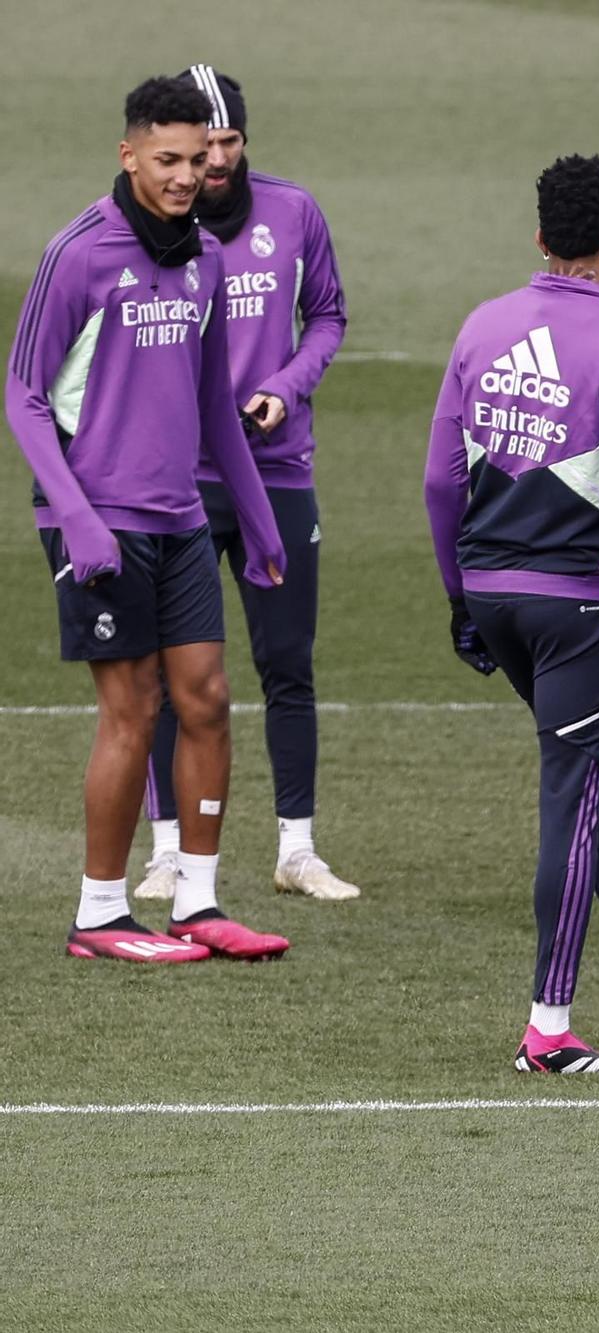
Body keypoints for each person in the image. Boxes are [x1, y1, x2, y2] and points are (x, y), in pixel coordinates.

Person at [424, 154, 599, 1073]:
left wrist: (459, 597)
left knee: (573, 764)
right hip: (578, 610)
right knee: (570, 793)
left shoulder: (480, 328)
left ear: (540, 238)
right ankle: (547, 1026)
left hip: (496, 598)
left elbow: (440, 479)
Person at [5, 76, 290, 963]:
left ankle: (198, 901)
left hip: (178, 519)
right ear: (128, 155)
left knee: (206, 700)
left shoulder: (204, 256)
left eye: (197, 159)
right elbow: (21, 397)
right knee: (132, 710)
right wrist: (77, 519)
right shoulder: (79, 254)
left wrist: (259, 515)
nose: (184, 175)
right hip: (97, 520)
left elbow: (214, 403)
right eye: (166, 159)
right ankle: (98, 912)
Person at [137, 64, 355, 904]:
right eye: (205, 145)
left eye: (230, 142)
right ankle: (166, 853)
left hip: (276, 470)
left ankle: (296, 849)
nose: (216, 161)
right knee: (168, 673)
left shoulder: (294, 213)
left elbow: (329, 314)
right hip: (179, 480)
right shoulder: (155, 226)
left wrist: (287, 385)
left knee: (286, 661)